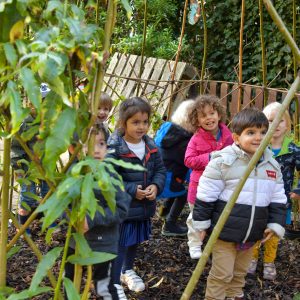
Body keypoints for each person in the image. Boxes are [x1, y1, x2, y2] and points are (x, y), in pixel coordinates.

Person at [193, 108, 287, 300]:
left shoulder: (271, 166)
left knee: (239, 274)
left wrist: (275, 224)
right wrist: (201, 224)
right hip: (224, 233)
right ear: (236, 137)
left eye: (263, 132)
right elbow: (205, 195)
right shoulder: (223, 162)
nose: (258, 137)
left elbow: (278, 198)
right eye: (251, 132)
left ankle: (234, 295)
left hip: (253, 234)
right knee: (222, 274)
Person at [107, 97, 166, 297]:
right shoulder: (114, 147)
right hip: (122, 207)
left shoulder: (151, 145)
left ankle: (127, 270)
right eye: (135, 122)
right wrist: (132, 190)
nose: (141, 127)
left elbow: (160, 170)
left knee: (134, 240)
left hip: (143, 207)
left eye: (145, 122)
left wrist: (155, 186)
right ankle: (113, 283)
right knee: (120, 243)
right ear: (123, 123)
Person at [64, 125, 131, 300]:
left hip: (104, 245)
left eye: (101, 143)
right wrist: (73, 219)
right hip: (75, 242)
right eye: (89, 145)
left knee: (105, 287)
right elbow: (64, 205)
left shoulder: (111, 176)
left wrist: (91, 220)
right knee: (70, 285)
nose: (96, 150)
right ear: (74, 149)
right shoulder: (73, 175)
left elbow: (121, 209)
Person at [247, 102, 300, 280]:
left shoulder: (293, 149)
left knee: (274, 232)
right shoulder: (258, 147)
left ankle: (269, 261)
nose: (276, 125)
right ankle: (251, 258)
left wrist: (297, 190)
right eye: (270, 120)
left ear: (288, 124)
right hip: (258, 198)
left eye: (281, 121)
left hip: (280, 201)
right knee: (255, 228)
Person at [184, 95, 233, 259]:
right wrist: (209, 157)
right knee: (196, 217)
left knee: (217, 215)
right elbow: (188, 160)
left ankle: (213, 242)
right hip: (199, 188)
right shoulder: (196, 139)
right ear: (197, 121)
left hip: (221, 186)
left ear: (219, 115)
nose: (209, 118)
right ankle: (195, 244)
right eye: (203, 116)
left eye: (211, 113)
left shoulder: (229, 136)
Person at [11, 83, 54, 237]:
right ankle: (23, 228)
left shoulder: (52, 120)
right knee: (27, 197)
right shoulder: (24, 122)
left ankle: (50, 226)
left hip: (46, 166)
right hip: (28, 167)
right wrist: (19, 168)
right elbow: (15, 148)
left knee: (48, 194)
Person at [154, 99, 196, 236]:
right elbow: (189, 164)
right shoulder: (184, 141)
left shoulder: (168, 129)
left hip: (158, 173)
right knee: (183, 194)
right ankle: (170, 225)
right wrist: (195, 181)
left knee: (177, 190)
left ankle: (164, 211)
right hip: (168, 178)